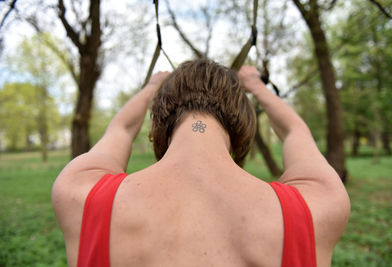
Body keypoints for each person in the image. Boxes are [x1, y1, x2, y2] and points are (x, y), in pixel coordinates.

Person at [52, 59, 350, 267]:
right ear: (244, 124)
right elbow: (295, 132)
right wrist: (256, 87)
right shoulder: (317, 205)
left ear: (158, 123)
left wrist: (152, 86)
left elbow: (121, 129)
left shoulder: (80, 193)